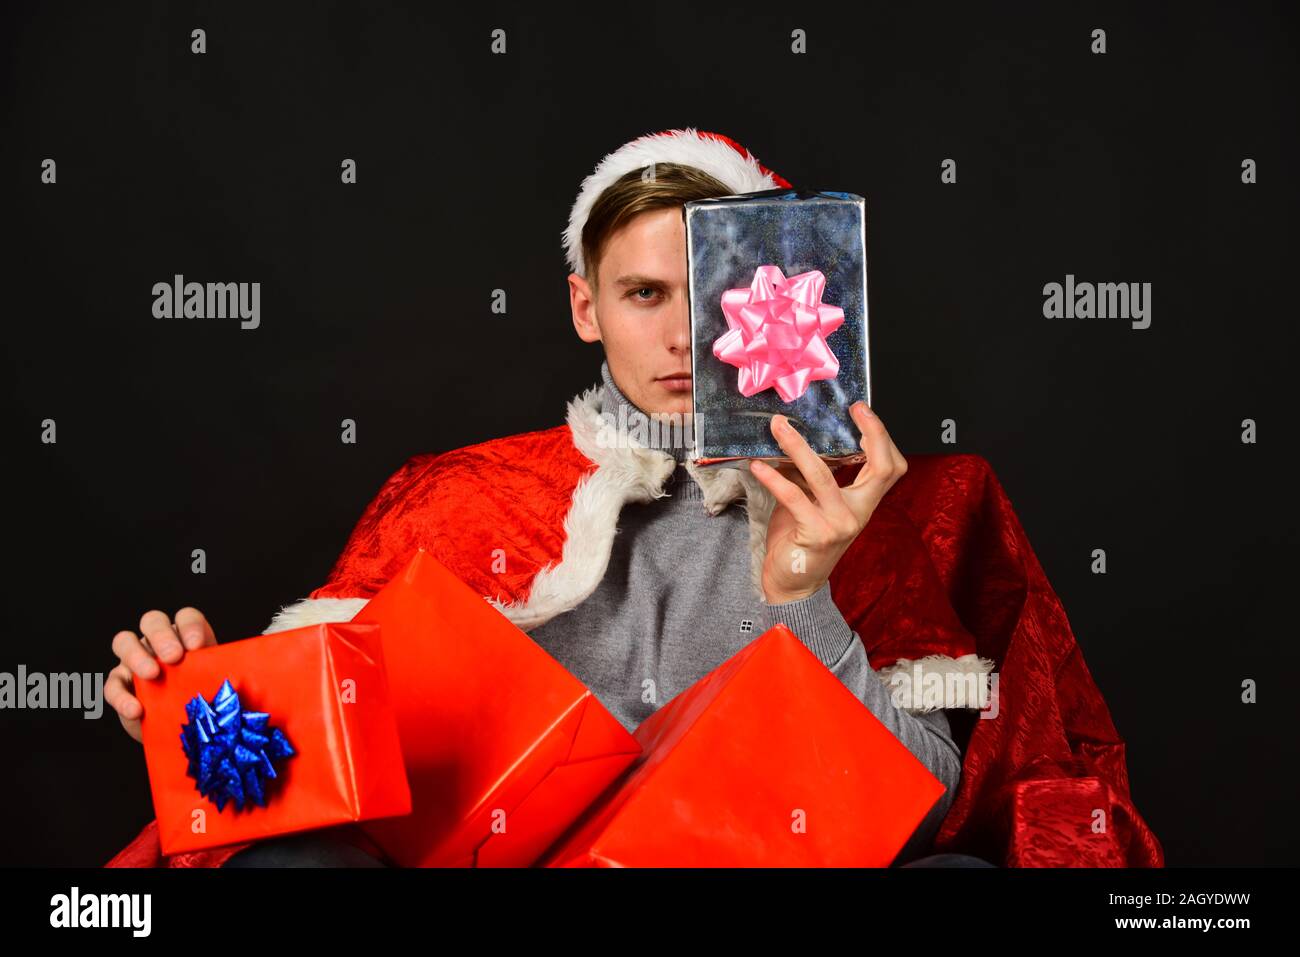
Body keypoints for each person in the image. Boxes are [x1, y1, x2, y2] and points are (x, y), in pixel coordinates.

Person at [106, 128, 997, 868]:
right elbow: (323, 771)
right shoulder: (468, 498)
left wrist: (804, 594)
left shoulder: (846, 508)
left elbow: (919, 817)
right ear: (585, 307)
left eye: (713, 295)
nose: (684, 334)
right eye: (644, 294)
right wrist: (197, 712)